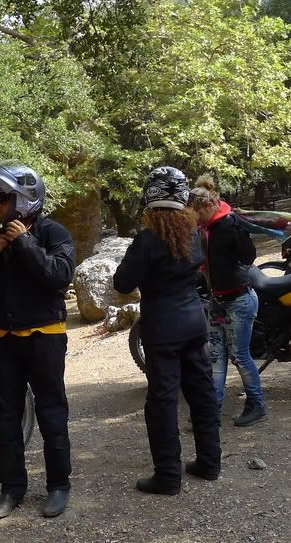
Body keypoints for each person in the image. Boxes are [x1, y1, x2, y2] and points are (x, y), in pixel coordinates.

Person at [0, 161, 75, 519]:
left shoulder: (53, 233)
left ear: (24, 199)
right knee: (5, 416)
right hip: (7, 338)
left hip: (46, 335)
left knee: (51, 412)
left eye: (3, 198)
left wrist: (25, 241)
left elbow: (58, 276)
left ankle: (58, 486)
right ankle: (11, 488)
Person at [113, 166, 221, 495]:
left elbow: (122, 283)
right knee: (201, 394)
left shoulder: (147, 240)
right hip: (194, 323)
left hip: (161, 328)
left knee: (162, 402)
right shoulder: (193, 234)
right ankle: (210, 463)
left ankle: (168, 476)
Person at [187, 174, 267, 427]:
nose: (196, 220)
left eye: (197, 215)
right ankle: (212, 411)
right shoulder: (206, 229)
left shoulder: (229, 224)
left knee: (240, 356)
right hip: (218, 301)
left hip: (241, 300)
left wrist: (241, 232)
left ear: (208, 207)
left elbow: (248, 257)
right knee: (215, 358)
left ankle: (257, 405)